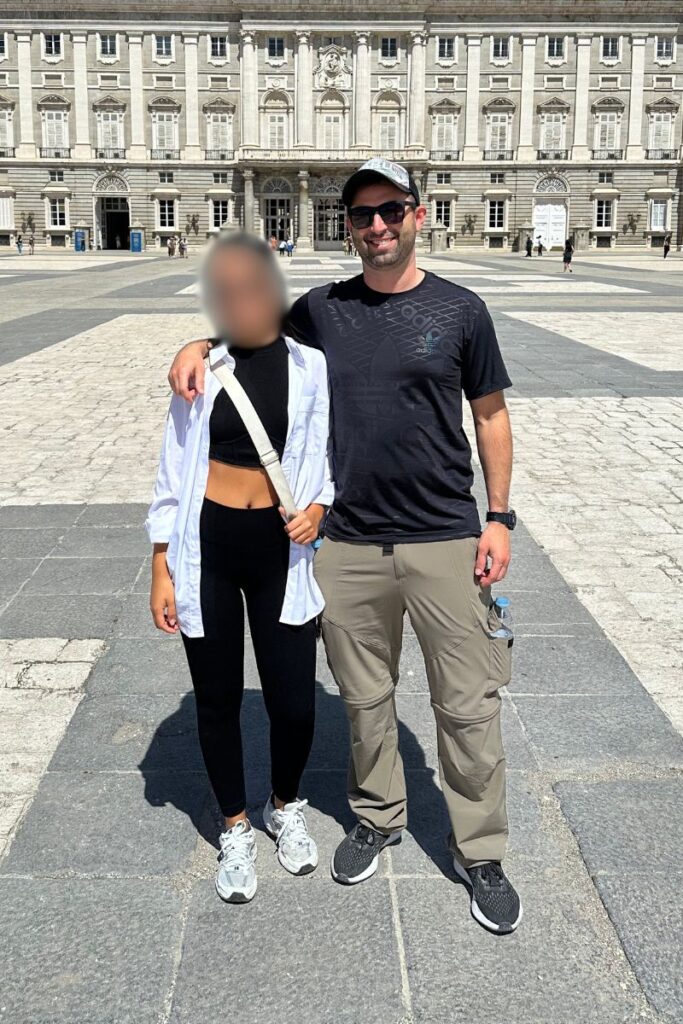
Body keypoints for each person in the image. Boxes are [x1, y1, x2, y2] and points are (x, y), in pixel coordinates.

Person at [166, 157, 523, 935]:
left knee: (466, 706)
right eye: (361, 214)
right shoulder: (323, 309)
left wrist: (499, 517)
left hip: (443, 536)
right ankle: (375, 816)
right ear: (349, 225)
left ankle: (482, 851)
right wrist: (198, 342)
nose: (375, 225)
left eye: (390, 210)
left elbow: (490, 416)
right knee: (364, 702)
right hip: (348, 543)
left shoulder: (462, 310)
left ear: (417, 215)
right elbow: (250, 336)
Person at [146, 232, 333, 905]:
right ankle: (233, 826)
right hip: (209, 543)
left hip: (284, 544)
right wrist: (161, 563)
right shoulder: (201, 369)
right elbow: (173, 469)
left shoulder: (312, 367)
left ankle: (284, 805)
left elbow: (328, 456)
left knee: (293, 701)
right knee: (217, 697)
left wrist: (318, 507)